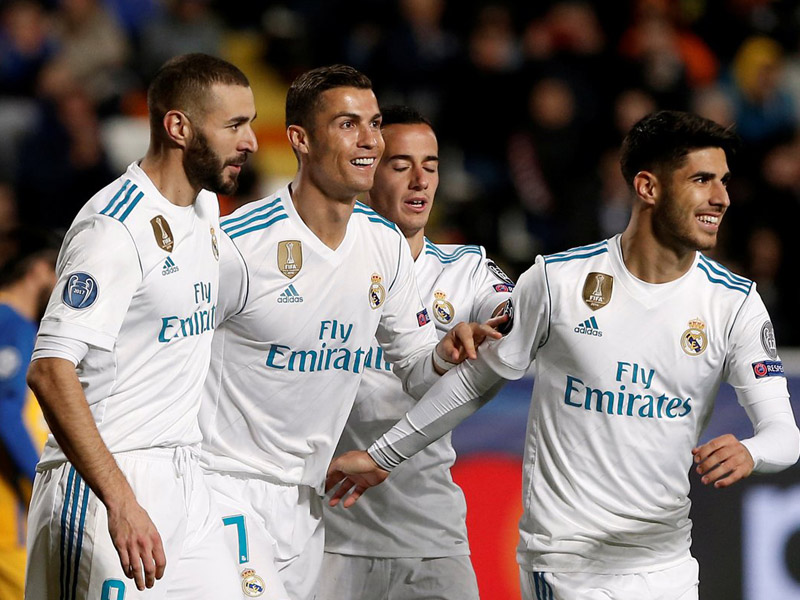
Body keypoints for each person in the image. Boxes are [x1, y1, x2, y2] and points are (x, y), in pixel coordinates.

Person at [326, 110, 800, 600]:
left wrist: (752, 451)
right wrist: (384, 456)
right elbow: (474, 382)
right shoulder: (558, 283)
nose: (721, 198)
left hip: (668, 565)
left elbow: (785, 435)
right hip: (567, 566)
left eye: (723, 181)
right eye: (702, 180)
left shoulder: (735, 304)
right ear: (648, 187)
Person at [198, 66, 500, 600]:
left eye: (374, 124)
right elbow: (166, 353)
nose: (369, 140)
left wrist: (443, 355)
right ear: (300, 140)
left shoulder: (384, 245)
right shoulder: (236, 244)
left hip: (310, 505)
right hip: (225, 488)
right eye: (348, 124)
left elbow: (415, 367)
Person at [24, 53, 265, 599]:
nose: (250, 141)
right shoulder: (114, 229)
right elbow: (50, 370)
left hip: (185, 479)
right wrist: (121, 500)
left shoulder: (206, 207)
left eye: (250, 123)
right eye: (234, 125)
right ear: (178, 127)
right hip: (103, 484)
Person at [318, 105, 512, 600]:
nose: (420, 180)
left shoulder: (465, 269)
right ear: (367, 172)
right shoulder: (317, 269)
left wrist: (496, 326)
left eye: (431, 165)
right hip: (326, 537)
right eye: (401, 165)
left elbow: (512, 315)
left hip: (431, 539)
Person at [0, 228, 58, 600]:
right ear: (38, 270)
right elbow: (4, 412)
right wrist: (43, 484)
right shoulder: (10, 323)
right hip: (7, 514)